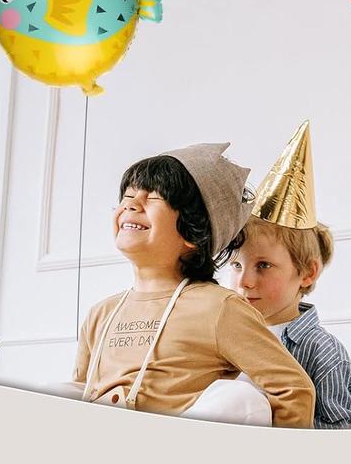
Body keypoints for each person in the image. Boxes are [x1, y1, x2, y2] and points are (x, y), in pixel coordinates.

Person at [73, 143, 315, 428]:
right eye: (128, 195)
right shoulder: (101, 314)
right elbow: (83, 387)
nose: (131, 204)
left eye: (153, 197)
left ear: (191, 230)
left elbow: (293, 389)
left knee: (240, 399)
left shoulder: (219, 308)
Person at [230, 121, 351, 428]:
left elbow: (338, 431)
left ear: (307, 273)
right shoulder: (226, 334)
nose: (244, 281)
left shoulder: (322, 352)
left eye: (263, 265)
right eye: (236, 265)